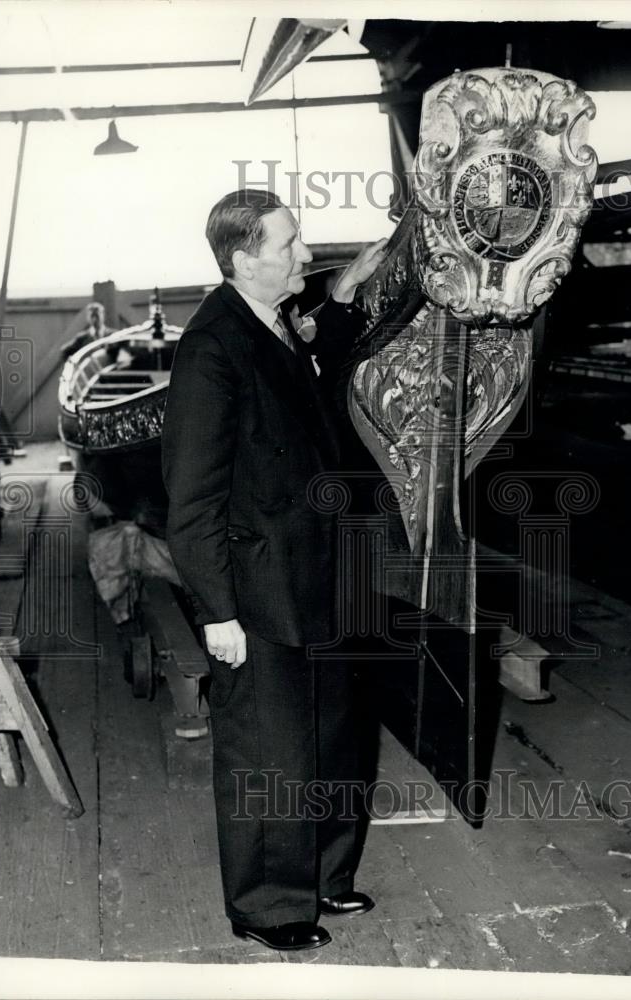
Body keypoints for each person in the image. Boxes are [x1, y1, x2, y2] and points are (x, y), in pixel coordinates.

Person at [161, 189, 387, 952]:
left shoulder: (272, 326)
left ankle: (326, 874)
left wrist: (346, 304)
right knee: (270, 753)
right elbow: (190, 501)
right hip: (258, 592)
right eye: (289, 244)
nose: (304, 254)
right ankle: (269, 907)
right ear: (242, 259)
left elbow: (313, 404)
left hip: (318, 574)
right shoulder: (212, 349)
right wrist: (217, 612)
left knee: (332, 734)